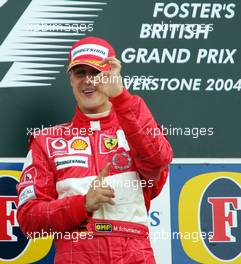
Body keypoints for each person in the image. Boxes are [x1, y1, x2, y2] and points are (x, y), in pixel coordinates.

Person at [17, 36, 173, 264]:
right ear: (70, 79)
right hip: (76, 255)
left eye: (96, 72)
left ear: (111, 74)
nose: (88, 81)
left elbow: (158, 162)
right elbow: (29, 219)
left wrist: (122, 98)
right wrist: (82, 205)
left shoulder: (136, 128)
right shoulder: (47, 140)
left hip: (134, 255)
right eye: (80, 73)